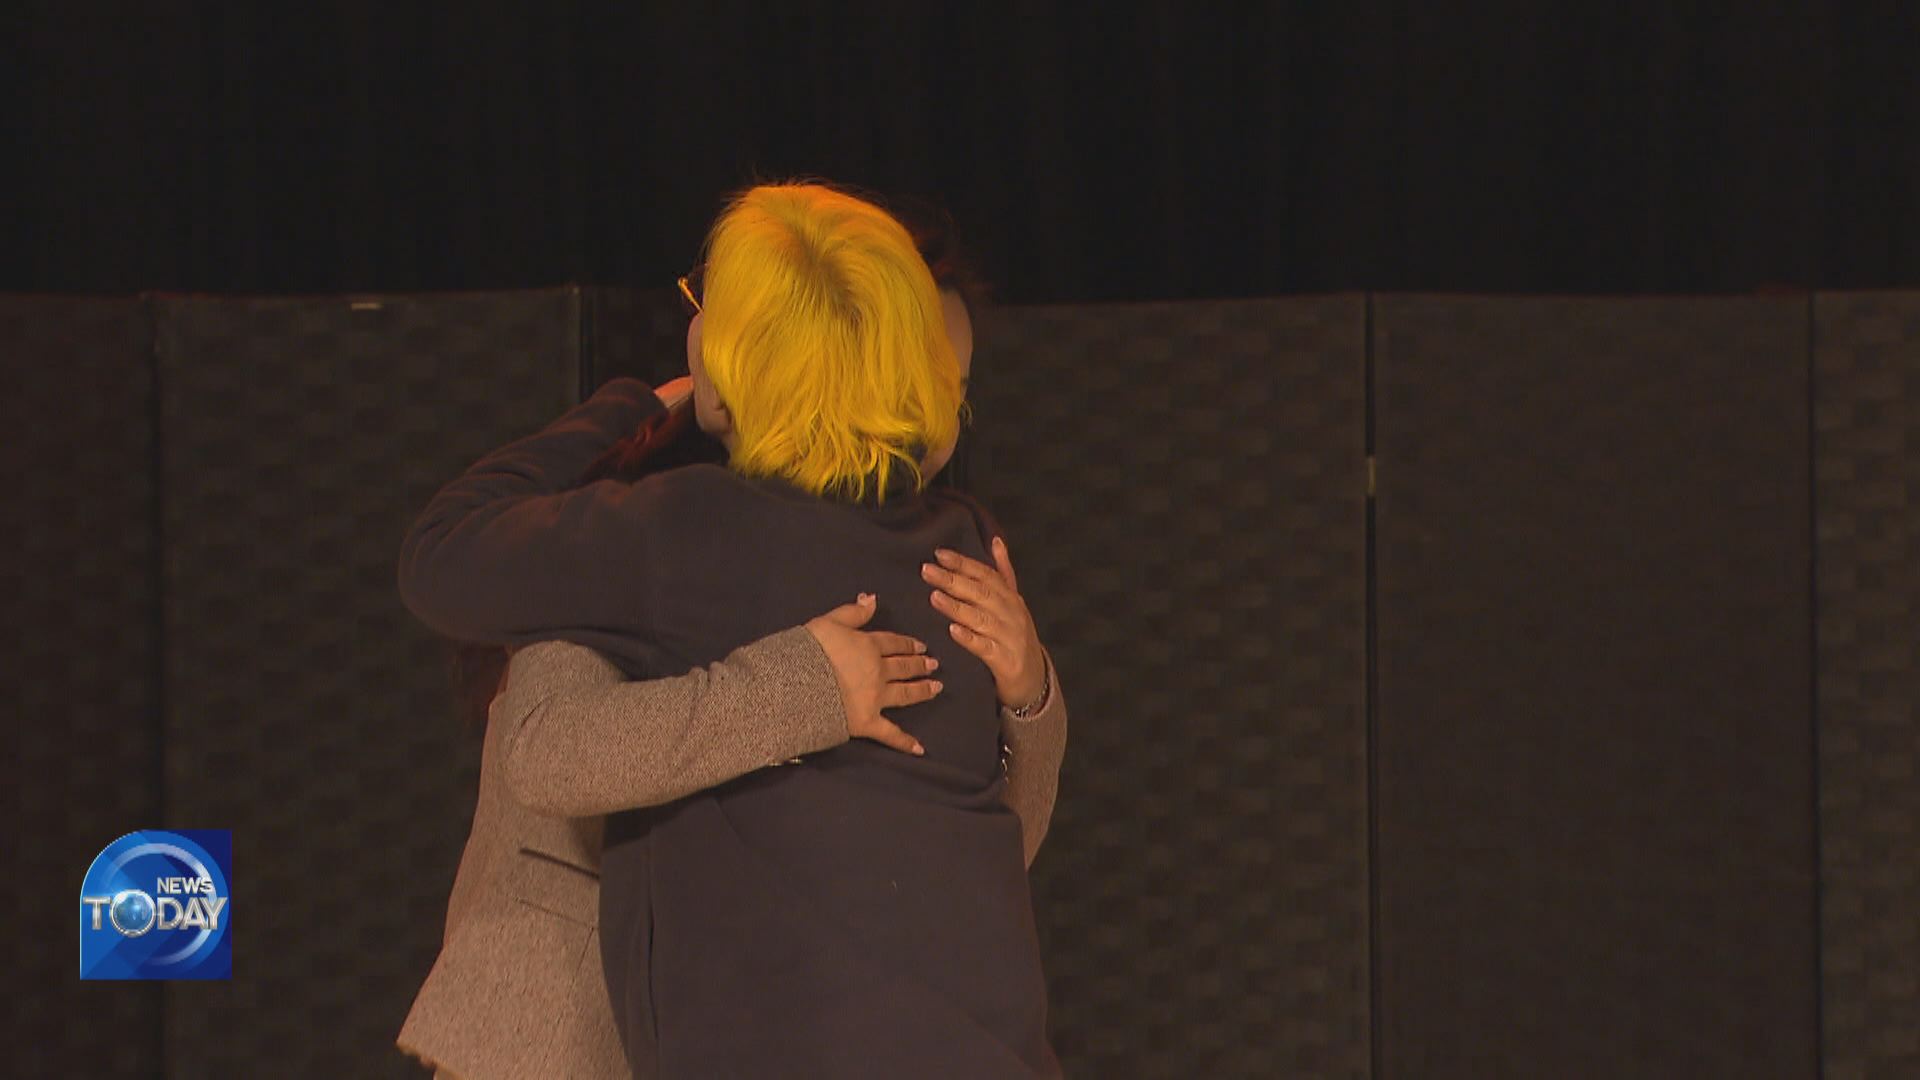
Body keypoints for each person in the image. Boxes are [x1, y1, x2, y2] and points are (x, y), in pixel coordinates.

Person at [398, 182, 1060, 1076]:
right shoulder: (673, 527)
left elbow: (985, 839)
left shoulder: (944, 553)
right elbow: (552, 752)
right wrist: (800, 688)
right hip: (565, 1030)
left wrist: (1030, 699)